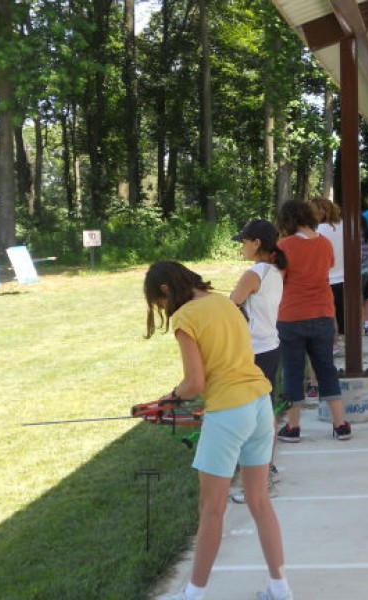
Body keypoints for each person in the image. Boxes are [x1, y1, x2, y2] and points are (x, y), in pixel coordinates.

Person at [142, 261, 293, 600]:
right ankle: (280, 589)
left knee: (212, 509)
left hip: (229, 412)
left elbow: (194, 383)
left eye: (159, 302)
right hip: (259, 404)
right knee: (259, 500)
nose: (164, 310)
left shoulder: (186, 318)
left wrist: (168, 399)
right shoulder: (225, 301)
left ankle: (192, 595)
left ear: (166, 290)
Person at [274, 200, 351, 443]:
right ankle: (340, 424)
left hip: (291, 314)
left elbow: (279, 279)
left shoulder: (284, 245)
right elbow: (325, 269)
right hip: (322, 312)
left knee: (293, 370)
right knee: (326, 368)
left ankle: (294, 427)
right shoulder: (324, 243)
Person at [230, 219, 286, 501]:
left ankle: (257, 479)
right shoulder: (275, 271)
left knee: (251, 416)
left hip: (254, 352)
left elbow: (231, 306)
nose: (242, 246)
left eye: (244, 241)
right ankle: (267, 469)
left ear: (257, 243)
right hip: (270, 347)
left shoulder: (254, 273)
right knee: (266, 411)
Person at [310, 196, 345, 352]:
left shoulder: (318, 231)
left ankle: (333, 343)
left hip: (327, 278)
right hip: (344, 276)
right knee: (342, 313)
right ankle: (343, 341)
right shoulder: (343, 226)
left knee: (330, 315)